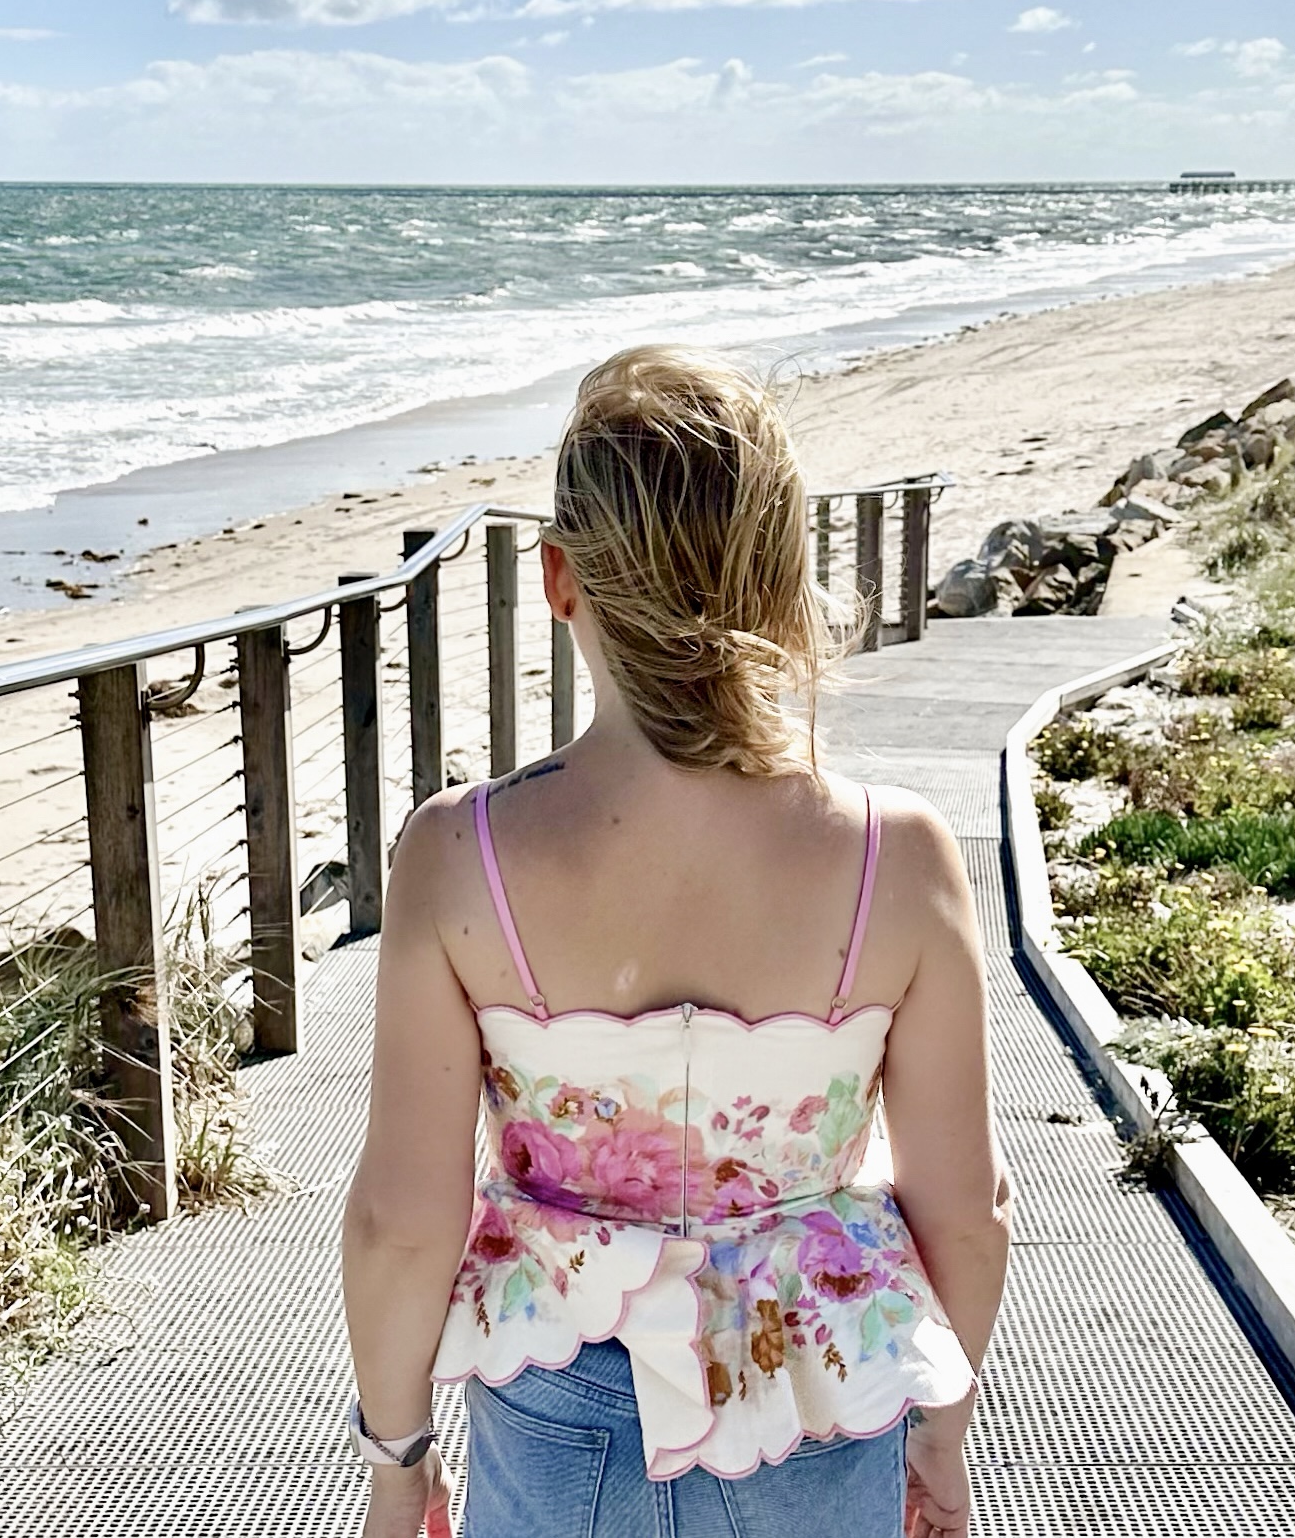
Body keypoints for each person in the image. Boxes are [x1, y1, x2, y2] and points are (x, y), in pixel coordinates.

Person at [339, 346, 1006, 1538]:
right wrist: (941, 1432)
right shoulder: (897, 856)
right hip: (820, 1395)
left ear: (558, 580)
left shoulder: (461, 852)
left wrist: (400, 1459)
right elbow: (966, 1206)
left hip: (553, 1408)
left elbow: (402, 1217)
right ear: (790, 579)